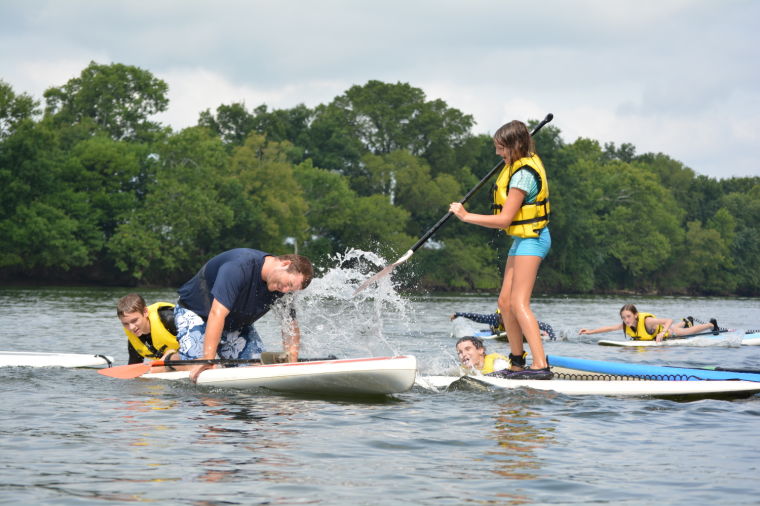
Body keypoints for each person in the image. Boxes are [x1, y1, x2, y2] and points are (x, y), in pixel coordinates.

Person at [449, 120, 552, 379]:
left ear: (515, 146)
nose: (498, 153)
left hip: (535, 238)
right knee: (504, 302)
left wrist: (466, 216)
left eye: (501, 148)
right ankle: (517, 361)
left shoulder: (523, 175)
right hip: (522, 239)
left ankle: (541, 365)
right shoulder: (516, 165)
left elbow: (504, 220)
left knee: (518, 303)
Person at [174, 248, 314, 382]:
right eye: (288, 283)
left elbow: (290, 325)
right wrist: (208, 358)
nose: (285, 290)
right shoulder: (238, 266)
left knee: (257, 372)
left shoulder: (283, 290)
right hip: (196, 314)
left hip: (234, 325)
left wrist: (291, 364)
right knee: (200, 372)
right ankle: (172, 360)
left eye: (291, 289)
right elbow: (217, 313)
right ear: (285, 264)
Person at [578, 304, 720, 342]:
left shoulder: (647, 321)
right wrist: (589, 331)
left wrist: (662, 333)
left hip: (665, 333)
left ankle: (711, 325)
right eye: (623, 317)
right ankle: (686, 321)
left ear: (635, 315)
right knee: (677, 328)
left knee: (684, 333)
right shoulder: (625, 325)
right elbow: (608, 328)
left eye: (628, 316)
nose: (626, 320)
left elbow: (668, 320)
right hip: (660, 333)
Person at [116, 293, 185, 365]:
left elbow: (196, 345)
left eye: (134, 320)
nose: (131, 327)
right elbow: (134, 366)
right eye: (125, 324)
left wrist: (170, 356)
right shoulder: (134, 338)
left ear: (145, 312)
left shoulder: (170, 319)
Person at [450, 310, 556, 341]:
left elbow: (546, 326)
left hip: (517, 333)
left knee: (540, 331)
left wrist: (552, 338)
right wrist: (458, 314)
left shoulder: (520, 319)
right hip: (496, 333)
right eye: (502, 316)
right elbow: (476, 316)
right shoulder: (494, 318)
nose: (505, 319)